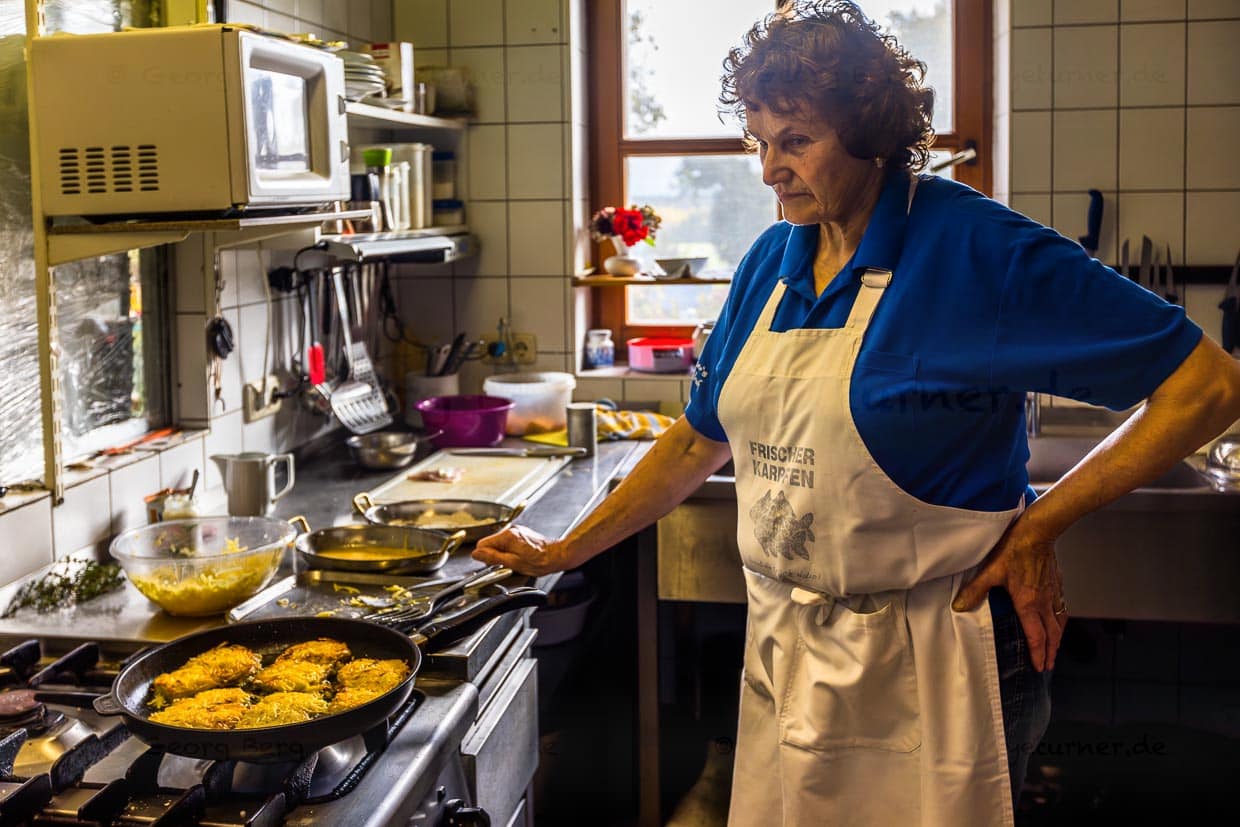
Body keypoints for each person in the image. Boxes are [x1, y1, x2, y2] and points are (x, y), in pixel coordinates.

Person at [474, 2, 1240, 824]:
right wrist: (561, 550)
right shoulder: (771, 260)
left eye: (796, 140)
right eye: (760, 142)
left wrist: (1040, 525)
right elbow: (700, 437)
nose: (770, 168)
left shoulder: (979, 252)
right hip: (789, 649)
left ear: (872, 133)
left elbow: (1207, 385)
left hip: (941, 656)